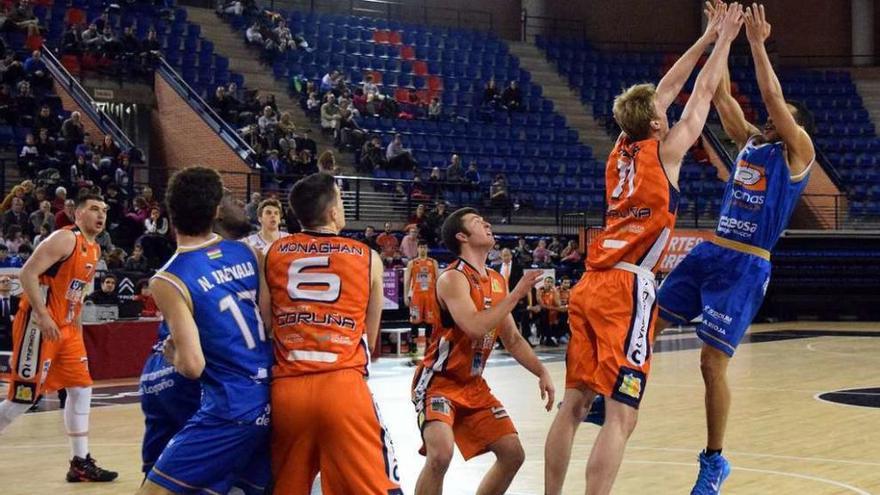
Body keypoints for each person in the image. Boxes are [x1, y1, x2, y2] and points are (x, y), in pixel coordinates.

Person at [543, 4, 743, 494]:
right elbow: (696, 95)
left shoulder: (620, 150)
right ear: (656, 123)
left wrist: (706, 36)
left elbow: (665, 90)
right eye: (660, 113)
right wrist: (724, 41)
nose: (665, 110)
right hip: (626, 288)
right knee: (621, 416)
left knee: (573, 407)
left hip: (589, 284)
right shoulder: (668, 153)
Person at [650, 5, 815, 494]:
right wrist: (717, 34)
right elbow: (719, 91)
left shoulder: (798, 152)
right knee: (648, 322)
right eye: (769, 117)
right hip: (709, 252)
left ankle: (714, 460)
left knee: (709, 363)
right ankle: (614, 393)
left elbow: (771, 93)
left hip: (747, 265)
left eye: (781, 117)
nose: (771, 117)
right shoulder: (748, 141)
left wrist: (757, 43)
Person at [137, 167, 272, 495]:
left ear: (170, 213)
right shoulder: (249, 253)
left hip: (229, 405)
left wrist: (175, 355)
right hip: (270, 395)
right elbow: (268, 323)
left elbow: (193, 365)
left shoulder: (167, 280)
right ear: (215, 212)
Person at [266, 173, 401, 493]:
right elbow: (371, 332)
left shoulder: (272, 253)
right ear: (333, 212)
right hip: (343, 386)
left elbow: (265, 321)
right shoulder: (369, 258)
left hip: (287, 391)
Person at [412, 207, 553, 495]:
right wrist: (516, 295)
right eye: (478, 222)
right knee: (440, 455)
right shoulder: (452, 278)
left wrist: (541, 371)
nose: (487, 223)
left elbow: (512, 339)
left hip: (473, 386)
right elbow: (475, 327)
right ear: (462, 236)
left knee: (513, 454)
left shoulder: (496, 280)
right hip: (439, 383)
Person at [0, 193, 117, 483]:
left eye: (104, 210)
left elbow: (76, 292)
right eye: (93, 209)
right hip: (39, 326)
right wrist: (42, 313)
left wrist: (75, 325)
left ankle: (80, 462)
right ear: (77, 214)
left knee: (81, 388)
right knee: (23, 398)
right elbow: (27, 273)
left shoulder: (95, 249)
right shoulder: (66, 239)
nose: (100, 214)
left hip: (66, 328)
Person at [404, 241, 439, 355]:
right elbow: (407, 281)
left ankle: (429, 348)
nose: (422, 249)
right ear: (417, 248)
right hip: (416, 297)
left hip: (430, 296)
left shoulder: (433, 262)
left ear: (427, 248)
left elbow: (438, 281)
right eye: (420, 247)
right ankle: (413, 349)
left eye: (424, 247)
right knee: (414, 321)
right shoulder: (412, 263)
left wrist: (439, 297)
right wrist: (405, 296)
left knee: (430, 321)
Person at [537, 276, 561, 347]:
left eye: (551, 282)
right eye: (547, 282)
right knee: (545, 312)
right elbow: (541, 303)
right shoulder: (540, 290)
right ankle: (548, 338)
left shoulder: (554, 291)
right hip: (543, 311)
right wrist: (553, 308)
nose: (549, 284)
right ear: (544, 283)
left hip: (553, 312)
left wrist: (555, 292)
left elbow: (558, 304)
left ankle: (554, 336)